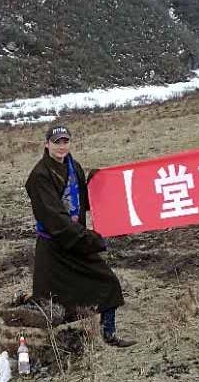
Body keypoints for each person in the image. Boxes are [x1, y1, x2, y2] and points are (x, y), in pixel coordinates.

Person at [22, 124, 136, 347]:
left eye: (65, 141)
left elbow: (85, 201)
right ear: (47, 145)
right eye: (57, 142)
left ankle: (108, 334)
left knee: (107, 281)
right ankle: (42, 346)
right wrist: (90, 240)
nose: (61, 146)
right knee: (51, 302)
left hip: (76, 241)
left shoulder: (74, 167)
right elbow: (54, 218)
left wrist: (99, 184)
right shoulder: (40, 176)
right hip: (54, 247)